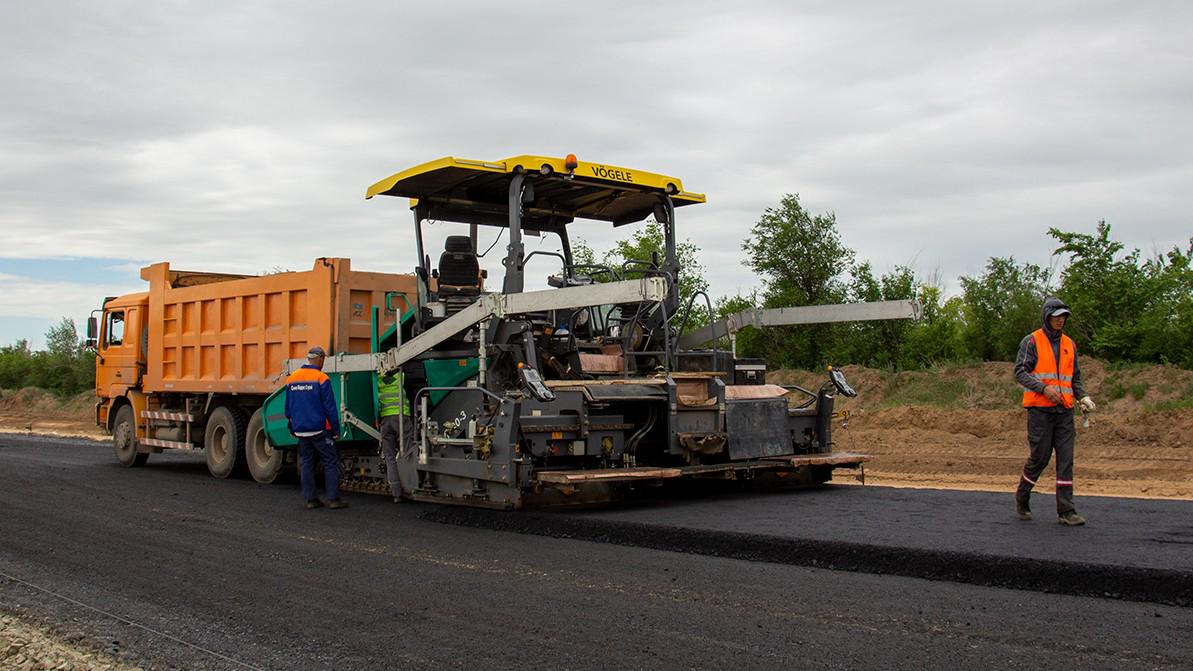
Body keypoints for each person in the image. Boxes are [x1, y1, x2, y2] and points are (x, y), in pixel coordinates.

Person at [1013, 297, 1096, 526]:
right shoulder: (1032, 341)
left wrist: (1083, 396)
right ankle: (1022, 495)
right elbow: (1020, 372)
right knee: (1039, 458)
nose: (1061, 320)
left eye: (1063, 316)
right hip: (1040, 411)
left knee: (1066, 460)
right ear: (1047, 317)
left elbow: (1074, 377)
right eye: (1056, 316)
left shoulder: (1070, 344)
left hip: (1065, 411)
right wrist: (1043, 389)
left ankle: (1066, 510)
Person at [284, 346, 348, 510]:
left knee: (307, 463)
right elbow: (330, 408)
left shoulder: (292, 378)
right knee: (330, 461)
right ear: (319, 359)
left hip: (301, 430)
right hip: (319, 430)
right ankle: (333, 499)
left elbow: (288, 408)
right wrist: (335, 430)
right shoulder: (321, 378)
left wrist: (292, 428)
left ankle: (311, 499)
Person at [377, 369, 416, 503]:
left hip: (386, 420)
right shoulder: (402, 376)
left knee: (389, 457)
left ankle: (396, 494)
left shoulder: (379, 379)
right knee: (407, 452)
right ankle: (412, 487)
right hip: (401, 418)